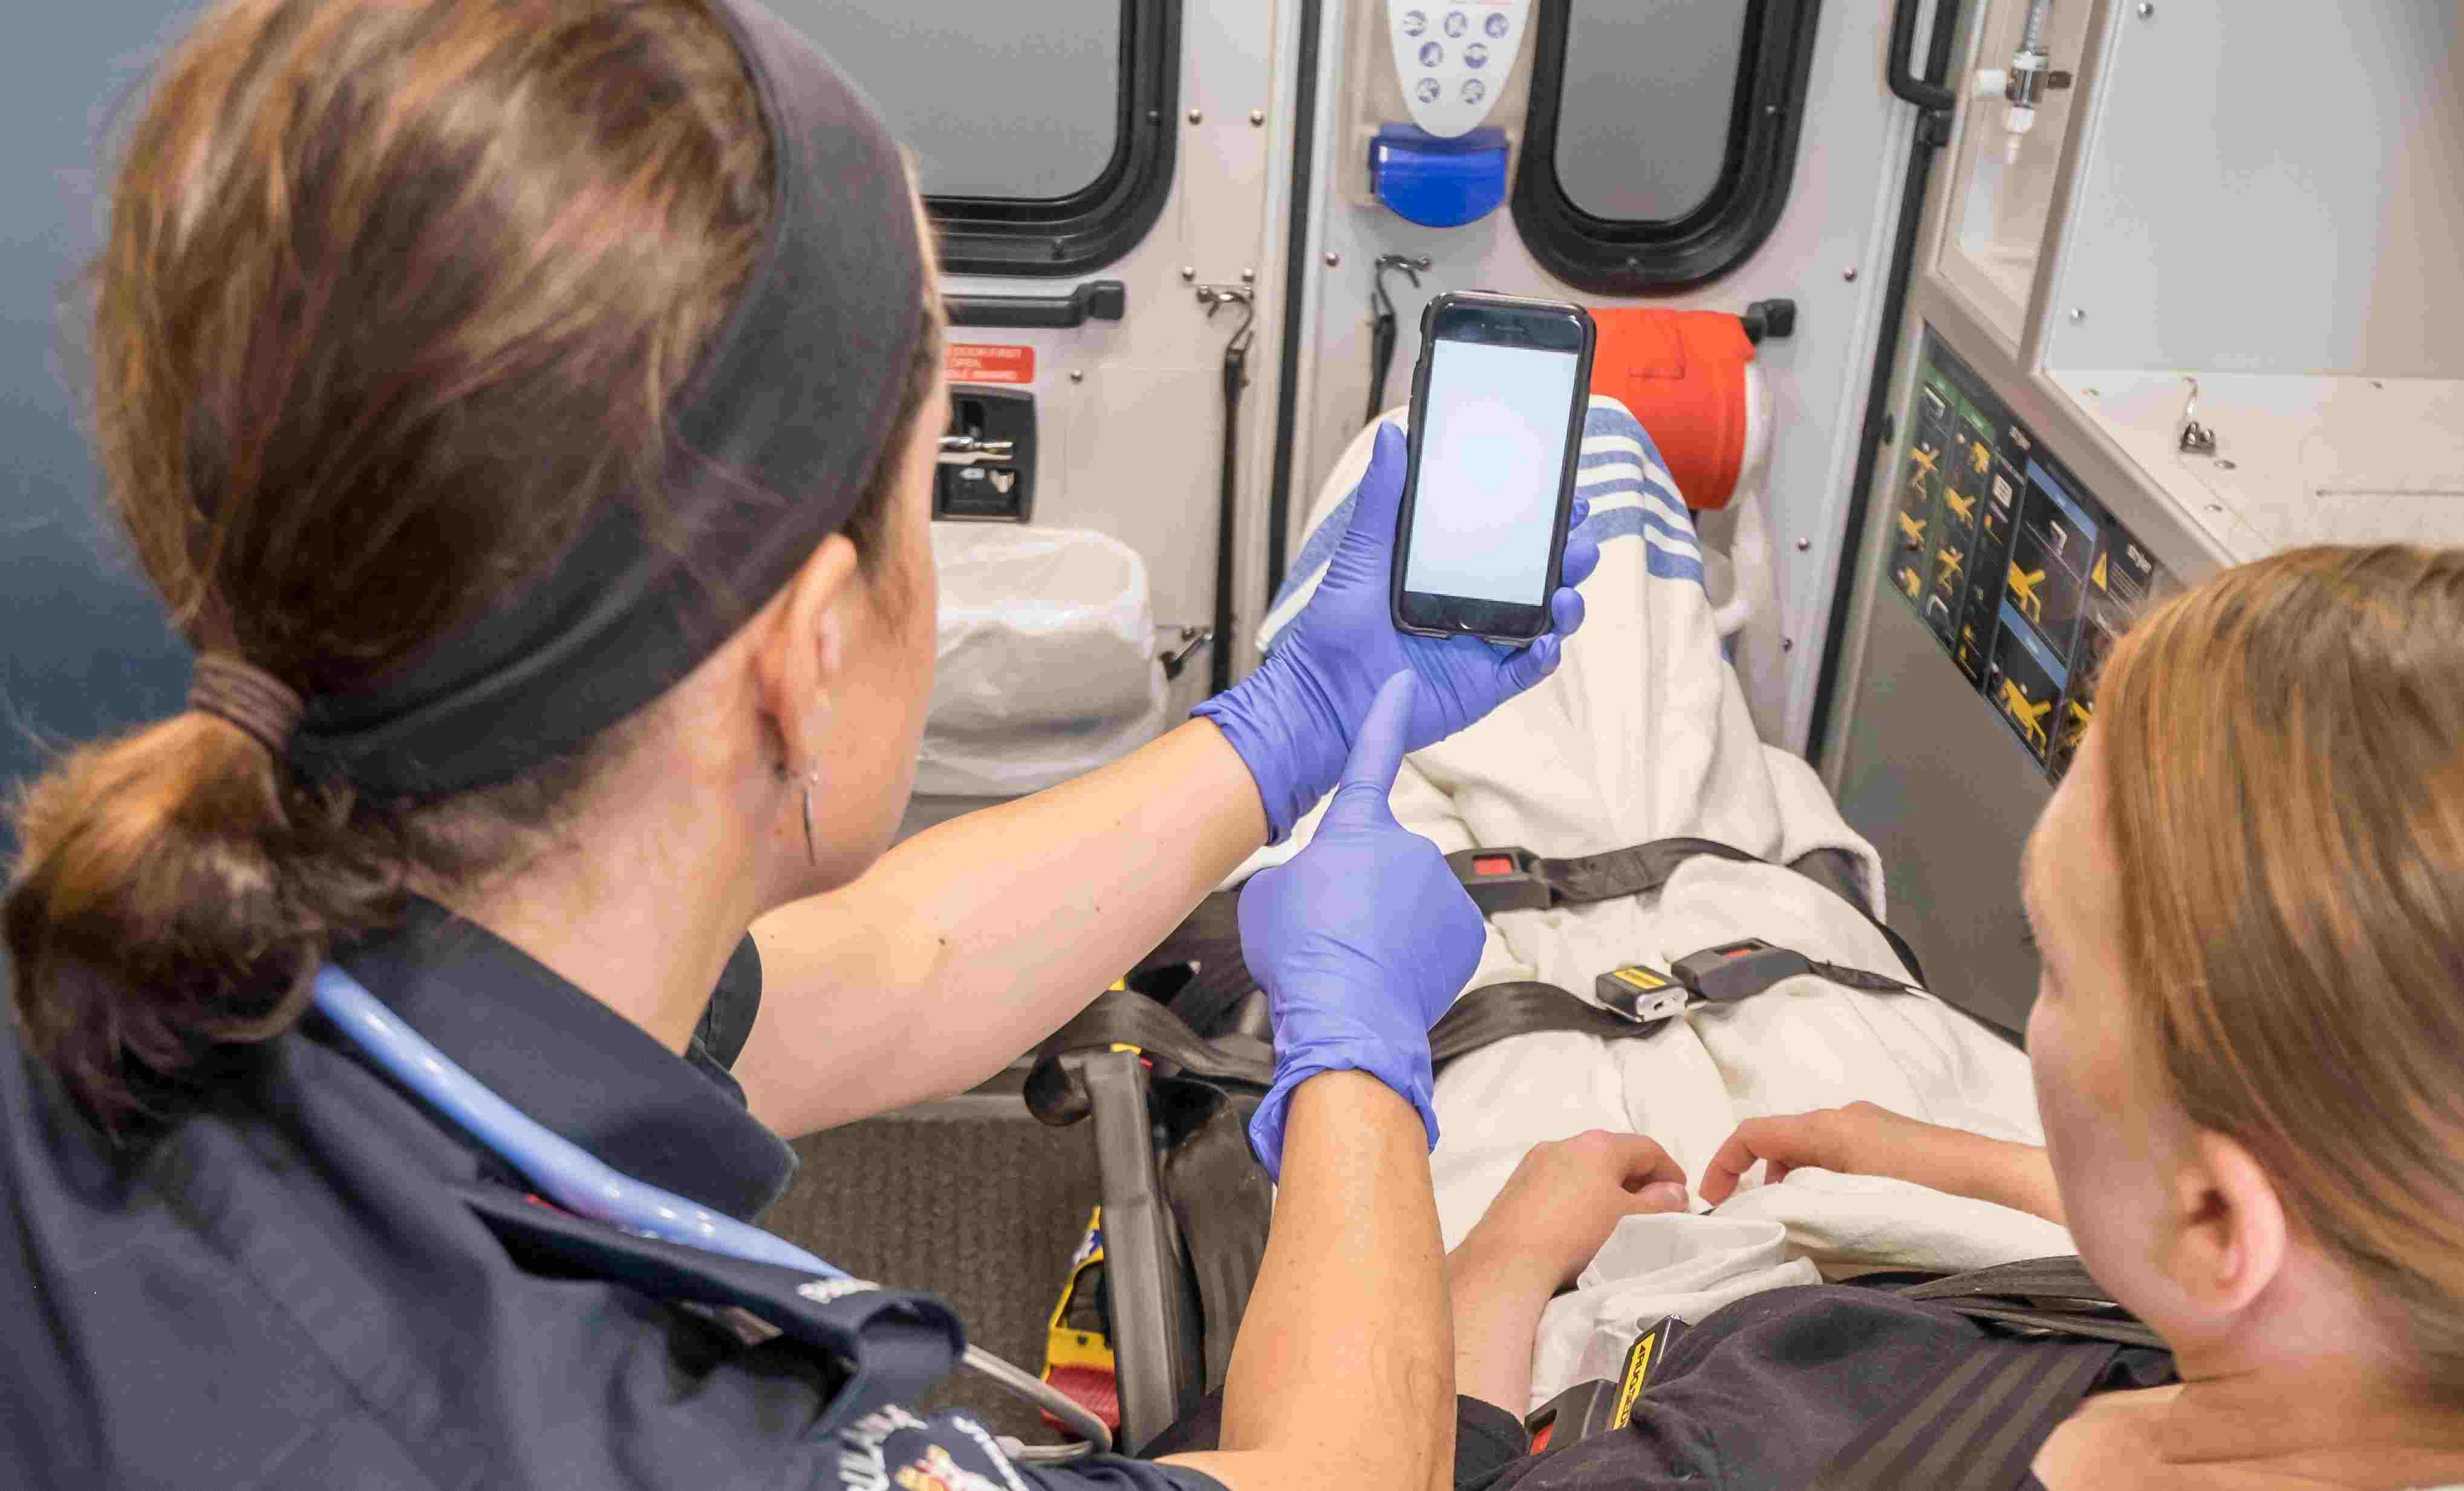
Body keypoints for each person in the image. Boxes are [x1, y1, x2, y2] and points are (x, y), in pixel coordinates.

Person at [0, 2, 1594, 1487]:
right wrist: (1360, 1055)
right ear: (812, 652)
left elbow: (887, 970)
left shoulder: (211, 953)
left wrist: (1283, 730)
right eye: (925, 488)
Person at [1439, 544, 2464, 1487]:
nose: (2035, 1004)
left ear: (2214, 1222)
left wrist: (1498, 1265)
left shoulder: (1765, 1457)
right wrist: (1955, 1160)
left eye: (2051, 964)